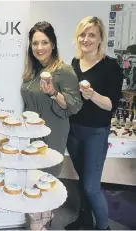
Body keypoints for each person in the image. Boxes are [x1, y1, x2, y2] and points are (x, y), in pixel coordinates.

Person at [20, 21, 83, 230]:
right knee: (32, 178)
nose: (39, 48)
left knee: (45, 178)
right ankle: (40, 218)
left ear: (53, 44)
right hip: (32, 132)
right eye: (35, 43)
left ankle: (42, 220)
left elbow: (75, 106)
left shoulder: (63, 71)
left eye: (44, 42)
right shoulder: (33, 71)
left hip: (52, 131)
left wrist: (54, 93)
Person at [65, 16, 123, 230]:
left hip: (96, 133)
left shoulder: (111, 66)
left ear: (100, 39)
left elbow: (110, 105)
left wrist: (93, 95)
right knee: (82, 179)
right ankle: (84, 218)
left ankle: (103, 227)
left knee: (91, 186)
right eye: (83, 34)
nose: (86, 39)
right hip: (74, 131)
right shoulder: (73, 64)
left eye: (92, 35)